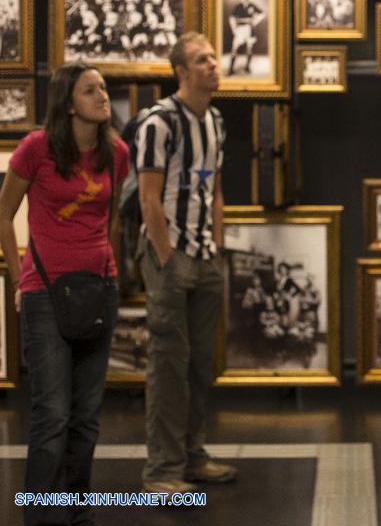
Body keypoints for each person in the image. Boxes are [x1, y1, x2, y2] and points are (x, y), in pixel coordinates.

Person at [0, 61, 129, 526]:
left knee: (86, 416)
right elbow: (4, 213)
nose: (102, 96)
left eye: (103, 88)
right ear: (68, 104)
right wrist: (19, 279)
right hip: (45, 293)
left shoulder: (116, 153)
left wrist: (110, 271)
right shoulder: (36, 149)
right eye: (90, 89)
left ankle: (75, 513)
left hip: (99, 289)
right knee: (52, 414)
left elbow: (109, 219)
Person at [134, 32, 235, 494]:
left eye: (214, 57)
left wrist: (216, 246)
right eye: (201, 60)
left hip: (205, 257)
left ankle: (193, 456)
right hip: (169, 255)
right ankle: (162, 471)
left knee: (199, 365)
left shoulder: (214, 120)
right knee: (168, 364)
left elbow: (213, 190)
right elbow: (149, 198)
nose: (213, 65)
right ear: (181, 72)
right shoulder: (159, 121)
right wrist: (166, 256)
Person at [227, 0, 266, 76]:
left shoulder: (252, 5)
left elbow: (262, 13)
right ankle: (231, 69)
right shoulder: (238, 6)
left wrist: (255, 21)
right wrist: (234, 29)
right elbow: (231, 18)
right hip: (240, 28)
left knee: (249, 47)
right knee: (235, 47)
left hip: (249, 28)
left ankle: (247, 67)